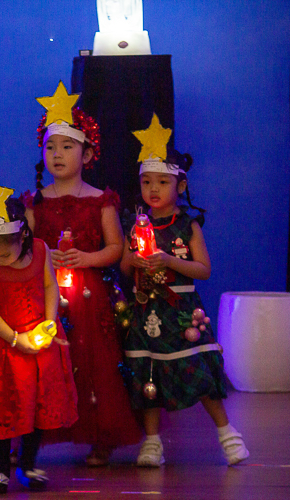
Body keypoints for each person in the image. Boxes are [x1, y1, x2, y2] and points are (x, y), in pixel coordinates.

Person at [120, 114, 249, 467]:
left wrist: (168, 261)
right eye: (147, 182)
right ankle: (151, 443)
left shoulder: (187, 224)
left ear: (180, 185)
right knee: (149, 378)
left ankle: (228, 435)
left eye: (162, 182)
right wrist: (136, 261)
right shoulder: (136, 224)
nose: (154, 189)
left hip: (182, 311)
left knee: (201, 376)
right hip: (147, 311)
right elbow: (123, 264)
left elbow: (203, 270)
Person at [24, 82, 142, 466]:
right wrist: (46, 259)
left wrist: (84, 259)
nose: (57, 154)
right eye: (51, 147)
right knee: (44, 364)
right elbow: (24, 247)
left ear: (87, 153)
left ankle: (100, 435)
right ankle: (28, 439)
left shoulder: (100, 200)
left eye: (67, 146)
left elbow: (116, 249)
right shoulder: (35, 203)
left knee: (95, 365)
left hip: (91, 299)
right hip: (46, 297)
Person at [0, 171, 77, 494]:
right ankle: (0, 471)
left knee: (36, 406)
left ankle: (29, 464)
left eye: (4, 254)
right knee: (4, 408)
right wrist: (14, 338)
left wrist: (49, 322)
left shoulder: (40, 250)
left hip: (40, 343)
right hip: (3, 349)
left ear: (21, 236)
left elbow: (50, 285)